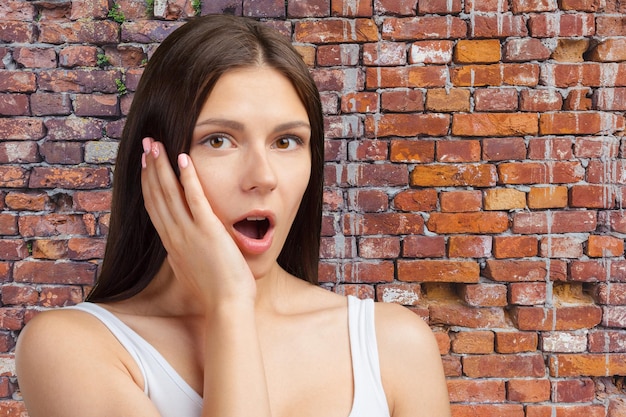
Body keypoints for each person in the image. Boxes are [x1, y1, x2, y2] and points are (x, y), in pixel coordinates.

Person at [15, 14, 451, 417]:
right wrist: (229, 304)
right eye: (220, 140)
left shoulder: (394, 344)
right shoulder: (72, 348)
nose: (262, 177)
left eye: (286, 142)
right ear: (157, 161)